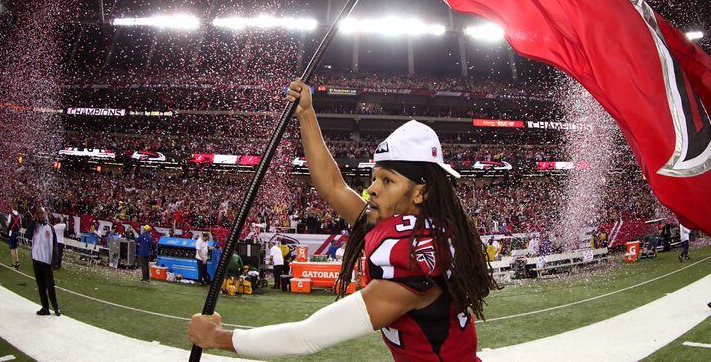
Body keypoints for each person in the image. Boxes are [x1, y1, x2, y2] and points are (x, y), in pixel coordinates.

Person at [189, 79, 498, 360]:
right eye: (374, 178)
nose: (372, 189)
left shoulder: (414, 260)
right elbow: (334, 186)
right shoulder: (401, 224)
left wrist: (219, 338)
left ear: (420, 194)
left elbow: (305, 338)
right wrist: (307, 114)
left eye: (387, 181)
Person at [24, 206, 61, 316]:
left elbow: (55, 245)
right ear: (36, 214)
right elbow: (27, 235)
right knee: (41, 287)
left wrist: (55, 261)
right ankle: (45, 308)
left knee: (50, 286)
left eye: (43, 213)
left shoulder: (50, 228)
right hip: (36, 260)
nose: (41, 215)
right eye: (39, 213)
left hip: (47, 262)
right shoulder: (34, 226)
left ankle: (56, 307)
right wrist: (32, 222)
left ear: (46, 214)